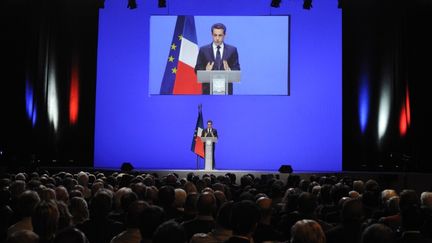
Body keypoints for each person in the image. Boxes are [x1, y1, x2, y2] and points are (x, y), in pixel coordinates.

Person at [195, 23, 240, 95]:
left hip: (226, 91)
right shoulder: (203, 50)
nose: (217, 38)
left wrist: (230, 71)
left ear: (225, 35)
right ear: (212, 35)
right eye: (215, 35)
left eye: (220, 35)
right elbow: (197, 69)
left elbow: (237, 69)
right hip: (208, 91)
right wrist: (205, 71)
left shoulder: (232, 50)